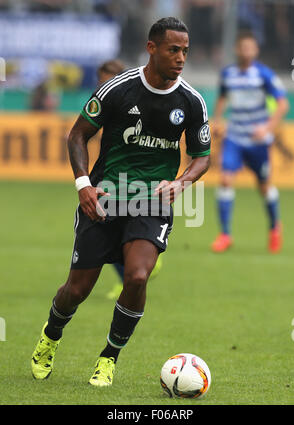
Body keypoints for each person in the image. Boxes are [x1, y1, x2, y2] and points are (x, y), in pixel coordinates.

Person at [31, 17, 211, 387]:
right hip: (106, 197)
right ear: (152, 48)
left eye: (185, 51)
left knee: (138, 276)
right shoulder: (119, 89)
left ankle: (108, 358)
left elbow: (203, 155)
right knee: (76, 291)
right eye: (173, 50)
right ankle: (50, 336)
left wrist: (183, 182)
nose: (180, 58)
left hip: (152, 201)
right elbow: (77, 135)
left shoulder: (191, 101)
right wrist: (83, 184)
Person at [211, 31, 289, 254]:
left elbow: (282, 105)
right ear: (237, 49)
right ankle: (225, 234)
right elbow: (222, 97)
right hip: (235, 136)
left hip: (258, 141)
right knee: (225, 180)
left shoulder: (264, 74)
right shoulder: (228, 74)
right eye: (243, 47)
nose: (246, 51)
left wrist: (267, 128)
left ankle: (275, 227)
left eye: (250, 48)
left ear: (256, 51)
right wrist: (217, 121)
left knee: (264, 187)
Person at [96, 59, 163, 300]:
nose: (102, 85)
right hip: (109, 177)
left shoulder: (131, 101)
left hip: (132, 179)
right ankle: (130, 274)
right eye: (100, 80)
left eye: (107, 79)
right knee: (108, 231)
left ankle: (148, 252)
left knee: (119, 228)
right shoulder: (108, 99)